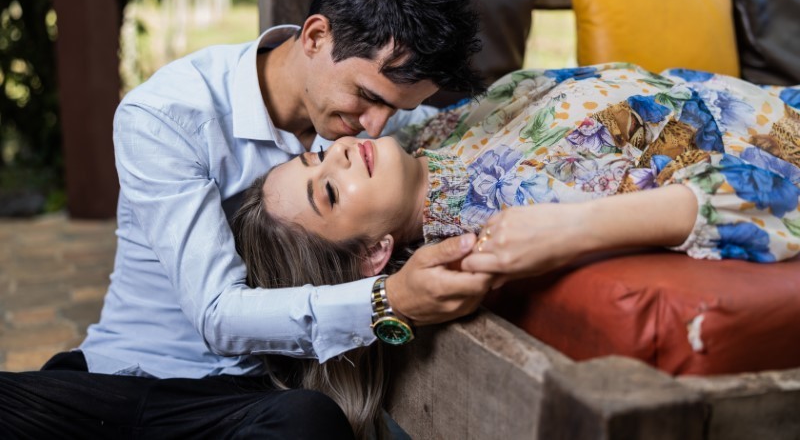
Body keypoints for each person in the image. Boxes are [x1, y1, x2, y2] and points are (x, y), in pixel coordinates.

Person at [0, 0, 493, 439]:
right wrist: (388, 299)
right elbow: (218, 314)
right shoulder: (168, 116)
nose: (377, 126)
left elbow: (493, 127)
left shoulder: (374, 129)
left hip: (243, 404)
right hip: (121, 382)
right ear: (316, 37)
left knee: (309, 420)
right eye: (367, 97)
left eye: (397, 109)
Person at [232, 63, 800, 430]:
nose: (340, 153)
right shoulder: (507, 217)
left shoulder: (426, 136)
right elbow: (772, 193)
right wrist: (577, 228)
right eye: (329, 192)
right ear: (373, 255)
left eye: (317, 156)